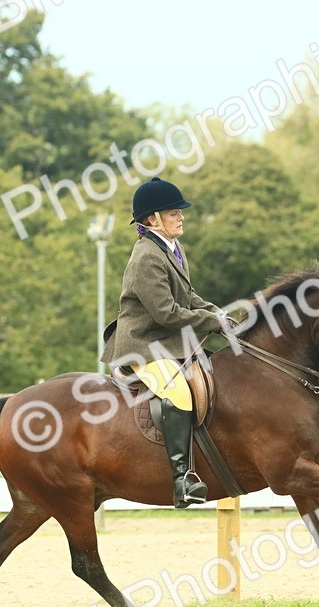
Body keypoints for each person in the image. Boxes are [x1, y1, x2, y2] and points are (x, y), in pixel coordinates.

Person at [100, 177, 225, 508]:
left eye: (179, 212)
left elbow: (189, 297)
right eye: (174, 213)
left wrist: (221, 315)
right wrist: (212, 322)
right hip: (143, 343)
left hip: (169, 342)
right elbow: (167, 314)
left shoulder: (173, 248)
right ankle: (182, 479)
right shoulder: (146, 257)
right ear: (152, 219)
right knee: (177, 390)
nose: (181, 217)